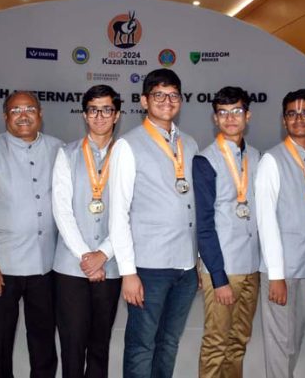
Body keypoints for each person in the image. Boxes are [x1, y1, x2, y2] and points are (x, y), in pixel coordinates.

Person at [108, 68, 199, 378]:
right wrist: (128, 273)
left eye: (173, 95)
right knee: (141, 344)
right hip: (149, 267)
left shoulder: (190, 143)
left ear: (180, 101)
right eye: (158, 95)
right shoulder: (127, 145)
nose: (166, 101)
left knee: (169, 342)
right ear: (144, 101)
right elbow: (118, 212)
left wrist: (197, 259)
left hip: (185, 267)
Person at [0, 91, 62, 378]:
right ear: (5, 116)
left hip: (47, 265)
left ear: (40, 113)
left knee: (44, 341)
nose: (23, 115)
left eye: (29, 109)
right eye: (15, 110)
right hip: (2, 267)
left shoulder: (60, 149)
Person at [256, 89, 305, 378]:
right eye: (292, 113)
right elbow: (265, 221)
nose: (299, 119)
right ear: (284, 120)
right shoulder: (272, 161)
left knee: (295, 338)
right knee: (279, 342)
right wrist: (275, 275)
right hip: (283, 269)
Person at [51, 85, 123, 378]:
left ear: (117, 115)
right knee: (71, 344)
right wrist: (86, 256)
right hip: (71, 266)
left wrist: (103, 253)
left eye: (107, 109)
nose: (100, 116)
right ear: (84, 114)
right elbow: (61, 210)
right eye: (93, 109)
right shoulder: (66, 154)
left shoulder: (127, 154)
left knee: (100, 344)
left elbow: (131, 213)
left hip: (112, 264)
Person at [194, 86, 261, 378]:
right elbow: (204, 223)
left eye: (236, 111)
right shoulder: (205, 159)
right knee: (216, 342)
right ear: (215, 118)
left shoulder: (258, 157)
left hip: (252, 266)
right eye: (223, 113)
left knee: (239, 342)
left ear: (248, 115)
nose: (230, 118)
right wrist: (218, 277)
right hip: (223, 269)